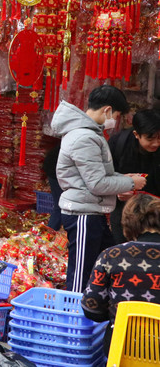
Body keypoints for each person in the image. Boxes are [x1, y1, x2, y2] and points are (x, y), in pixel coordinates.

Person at [51, 85, 146, 293]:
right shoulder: (85, 137)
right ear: (107, 110)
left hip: (91, 210)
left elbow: (96, 176)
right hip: (83, 213)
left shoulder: (88, 134)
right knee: (81, 272)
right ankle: (73, 314)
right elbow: (97, 184)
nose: (116, 120)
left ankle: (89, 311)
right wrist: (131, 183)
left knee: (101, 263)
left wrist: (123, 178)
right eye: (117, 115)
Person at [82, 193, 160, 352]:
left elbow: (92, 309)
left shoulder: (111, 255)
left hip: (122, 349)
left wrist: (116, 313)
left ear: (127, 223)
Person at [108, 109, 160, 244]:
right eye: (150, 138)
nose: (156, 143)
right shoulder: (118, 144)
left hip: (156, 213)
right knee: (122, 247)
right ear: (137, 134)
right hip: (124, 212)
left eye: (159, 137)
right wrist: (118, 188)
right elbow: (105, 177)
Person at [42, 143, 62, 231]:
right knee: (60, 207)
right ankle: (49, 233)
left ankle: (50, 233)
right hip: (55, 169)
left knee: (59, 206)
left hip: (55, 167)